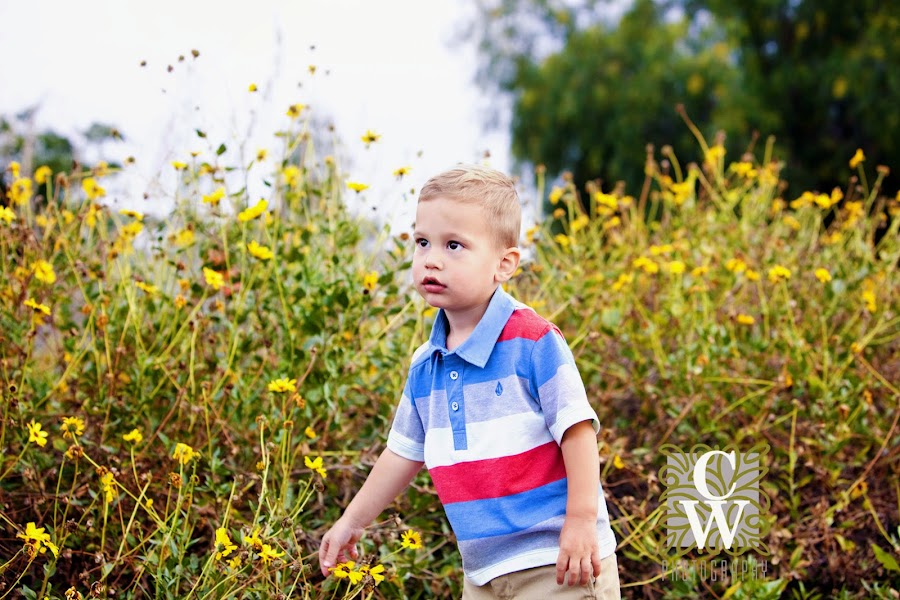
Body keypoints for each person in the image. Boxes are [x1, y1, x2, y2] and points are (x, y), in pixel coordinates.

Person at [318, 165, 620, 598]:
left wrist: (580, 521)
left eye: (454, 245)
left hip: (557, 561)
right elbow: (402, 453)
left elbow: (578, 433)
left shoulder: (533, 342)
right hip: (481, 573)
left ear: (504, 264)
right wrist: (352, 521)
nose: (431, 259)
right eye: (422, 242)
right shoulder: (426, 365)